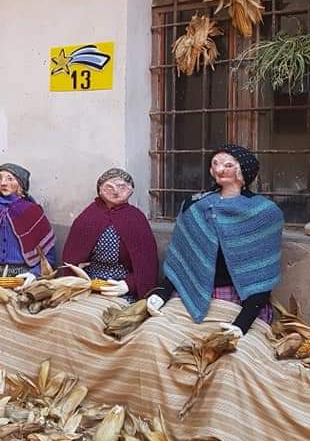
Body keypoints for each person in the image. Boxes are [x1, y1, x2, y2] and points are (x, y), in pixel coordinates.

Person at [149, 144, 283, 338]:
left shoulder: (265, 213)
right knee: (154, 335)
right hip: (190, 293)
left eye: (228, 165)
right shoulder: (194, 206)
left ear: (243, 170)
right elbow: (182, 261)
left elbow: (261, 278)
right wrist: (161, 293)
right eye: (215, 164)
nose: (220, 170)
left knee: (229, 352)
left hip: (238, 302)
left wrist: (241, 325)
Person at [61, 168, 159, 299]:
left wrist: (129, 285)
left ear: (131, 190)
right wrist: (77, 283)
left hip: (121, 285)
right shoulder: (88, 217)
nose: (116, 192)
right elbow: (71, 259)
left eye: (122, 187)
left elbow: (147, 263)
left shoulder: (136, 219)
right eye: (109, 187)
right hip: (89, 283)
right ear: (100, 190)